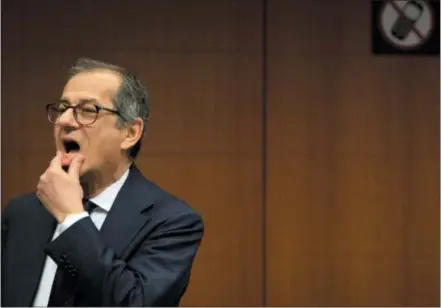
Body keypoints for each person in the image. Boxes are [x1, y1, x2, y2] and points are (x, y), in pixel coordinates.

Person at [1, 58, 204, 307]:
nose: (65, 120)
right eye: (62, 108)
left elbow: (135, 302)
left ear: (130, 133)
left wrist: (71, 219)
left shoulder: (173, 223)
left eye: (88, 110)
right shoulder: (21, 213)